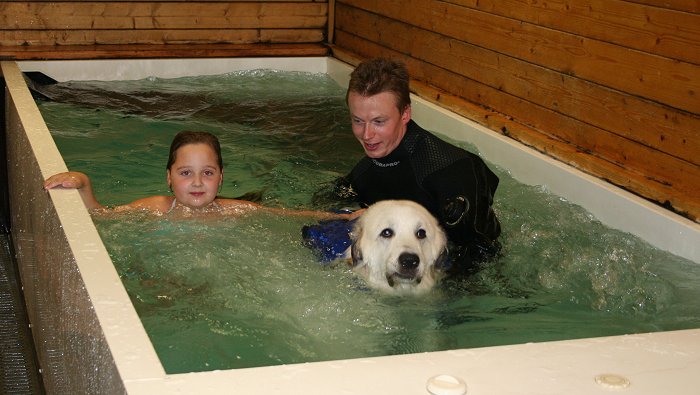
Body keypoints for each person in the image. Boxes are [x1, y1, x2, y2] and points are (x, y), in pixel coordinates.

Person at [334, 58, 502, 272]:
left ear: (405, 114)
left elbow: (480, 255)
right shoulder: (362, 176)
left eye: (379, 121)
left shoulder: (453, 170)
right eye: (358, 121)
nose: (366, 135)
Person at [44, 130, 339, 219]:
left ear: (221, 177)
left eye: (207, 173)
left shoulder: (236, 210)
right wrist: (83, 182)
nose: (197, 182)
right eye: (186, 172)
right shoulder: (157, 208)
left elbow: (290, 215)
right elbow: (100, 215)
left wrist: (342, 218)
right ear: (169, 177)